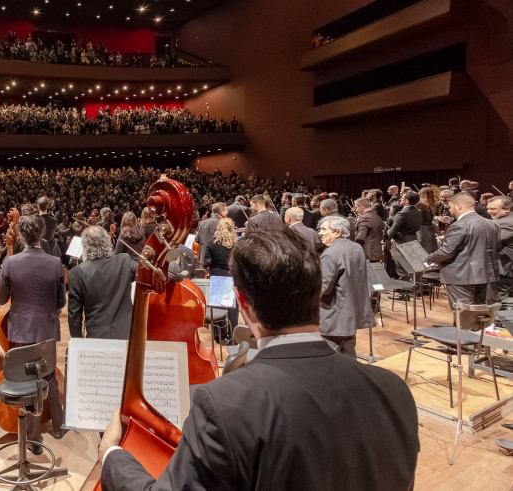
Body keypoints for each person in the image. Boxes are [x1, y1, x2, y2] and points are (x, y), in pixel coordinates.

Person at [98, 228, 419, 491]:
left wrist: (112, 455)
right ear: (315, 290)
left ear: (242, 302)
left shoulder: (224, 405)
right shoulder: (394, 392)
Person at [0, 213, 67, 450]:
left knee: (27, 381)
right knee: (49, 376)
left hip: (21, 330)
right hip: (47, 329)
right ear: (41, 234)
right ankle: (59, 426)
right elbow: (60, 303)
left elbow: (0, 298)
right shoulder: (55, 263)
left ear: (21, 236)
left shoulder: (10, 263)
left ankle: (34, 440)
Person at [425, 192, 500, 307]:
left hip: (461, 276)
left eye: (450, 207)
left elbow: (446, 251)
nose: (450, 210)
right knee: (478, 312)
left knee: (463, 314)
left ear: (459, 206)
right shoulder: (492, 224)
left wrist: (427, 258)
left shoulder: (460, 225)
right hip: (484, 273)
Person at [68, 225, 136, 339]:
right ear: (107, 242)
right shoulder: (124, 261)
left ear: (85, 246)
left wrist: (78, 339)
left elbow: (75, 315)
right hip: (126, 336)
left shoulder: (76, 273)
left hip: (96, 338)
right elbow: (144, 272)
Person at [318, 216, 373, 357]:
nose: (320, 233)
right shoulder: (356, 247)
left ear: (337, 233)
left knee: (327, 357)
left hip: (333, 316)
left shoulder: (330, 253)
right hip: (352, 313)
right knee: (348, 354)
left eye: (324, 229)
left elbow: (322, 288)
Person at [387, 190, 423, 277]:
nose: (400, 200)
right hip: (414, 239)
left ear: (407, 201)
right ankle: (414, 287)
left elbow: (393, 231)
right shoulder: (418, 212)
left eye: (402, 198)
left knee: (402, 267)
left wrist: (389, 232)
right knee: (414, 266)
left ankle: (405, 289)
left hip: (402, 242)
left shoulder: (402, 214)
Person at [486, 196, 513, 309]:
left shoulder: (505, 223)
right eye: (488, 208)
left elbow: (489, 243)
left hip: (504, 270)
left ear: (507, 209)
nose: (490, 211)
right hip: (507, 270)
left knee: (496, 304)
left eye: (494, 209)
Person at [353, 198, 385, 262]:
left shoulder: (365, 218)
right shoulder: (377, 216)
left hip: (367, 254)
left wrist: (351, 245)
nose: (356, 210)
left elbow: (360, 238)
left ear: (361, 206)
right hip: (376, 252)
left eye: (356, 207)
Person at [195, 202, 226, 268]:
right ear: (221, 212)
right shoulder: (224, 223)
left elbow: (197, 239)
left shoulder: (202, 223)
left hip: (203, 258)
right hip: (218, 258)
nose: (228, 212)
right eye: (226, 210)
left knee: (203, 277)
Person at [416, 186, 440, 253]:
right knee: (431, 249)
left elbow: (418, 219)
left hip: (422, 230)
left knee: (423, 250)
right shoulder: (432, 205)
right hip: (430, 230)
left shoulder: (420, 205)